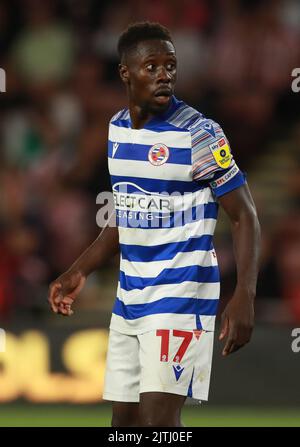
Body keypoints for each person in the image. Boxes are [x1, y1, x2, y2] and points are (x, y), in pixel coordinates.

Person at [48, 22, 261, 427]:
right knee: (123, 425)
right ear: (125, 72)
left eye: (171, 66)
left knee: (158, 423)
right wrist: (81, 269)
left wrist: (244, 294)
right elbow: (124, 216)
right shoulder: (116, 130)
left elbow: (244, 214)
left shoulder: (199, 134)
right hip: (131, 296)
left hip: (182, 294)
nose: (164, 75)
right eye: (152, 66)